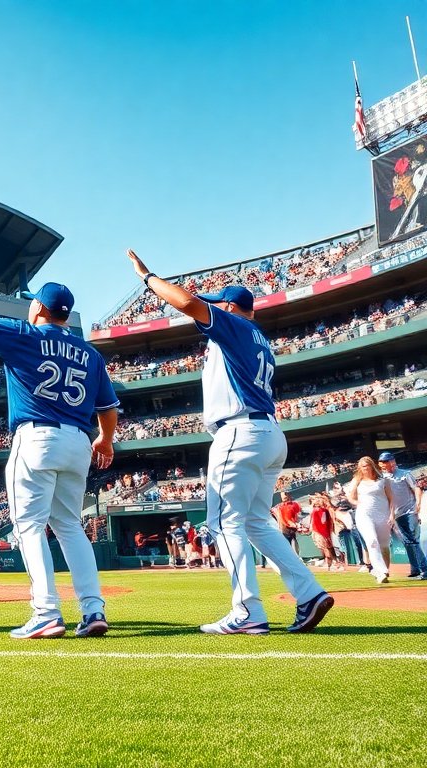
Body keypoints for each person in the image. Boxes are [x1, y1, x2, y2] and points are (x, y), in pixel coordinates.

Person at [128, 250, 332, 634]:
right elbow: (197, 304)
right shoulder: (257, 335)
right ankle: (309, 593)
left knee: (223, 525)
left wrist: (148, 278)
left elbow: (187, 303)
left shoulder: (235, 325)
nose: (211, 310)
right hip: (267, 433)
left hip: (239, 433)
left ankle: (248, 612)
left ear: (230, 306)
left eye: (217, 305)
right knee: (256, 522)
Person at [0, 246, 118, 639]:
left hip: (37, 437)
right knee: (71, 527)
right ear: (67, 316)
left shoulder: (26, 333)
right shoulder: (89, 353)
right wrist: (105, 439)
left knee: (28, 529)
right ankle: (93, 610)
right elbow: (108, 407)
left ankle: (46, 611)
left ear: (37, 308)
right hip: (78, 441)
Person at [345, 456, 394, 584]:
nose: (364, 468)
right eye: (362, 466)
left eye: (366, 465)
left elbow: (391, 499)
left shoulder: (383, 480)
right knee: (372, 541)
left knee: (384, 546)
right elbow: (351, 497)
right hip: (364, 514)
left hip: (382, 514)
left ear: (372, 466)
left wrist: (392, 515)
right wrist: (357, 502)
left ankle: (384, 571)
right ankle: (379, 571)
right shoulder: (357, 480)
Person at [378, 452, 427, 579]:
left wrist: (418, 504)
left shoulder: (404, 473)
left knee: (412, 540)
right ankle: (415, 569)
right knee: (407, 542)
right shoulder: (382, 478)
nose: (386, 464)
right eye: (383, 462)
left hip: (409, 511)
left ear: (393, 461)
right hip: (396, 514)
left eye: (387, 461)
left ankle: (424, 570)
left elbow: (416, 488)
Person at [308, 493, 342, 572]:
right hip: (322, 532)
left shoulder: (320, 510)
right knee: (327, 548)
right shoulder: (321, 510)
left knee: (326, 548)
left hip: (320, 532)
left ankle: (331, 564)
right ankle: (331, 563)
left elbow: (322, 521)